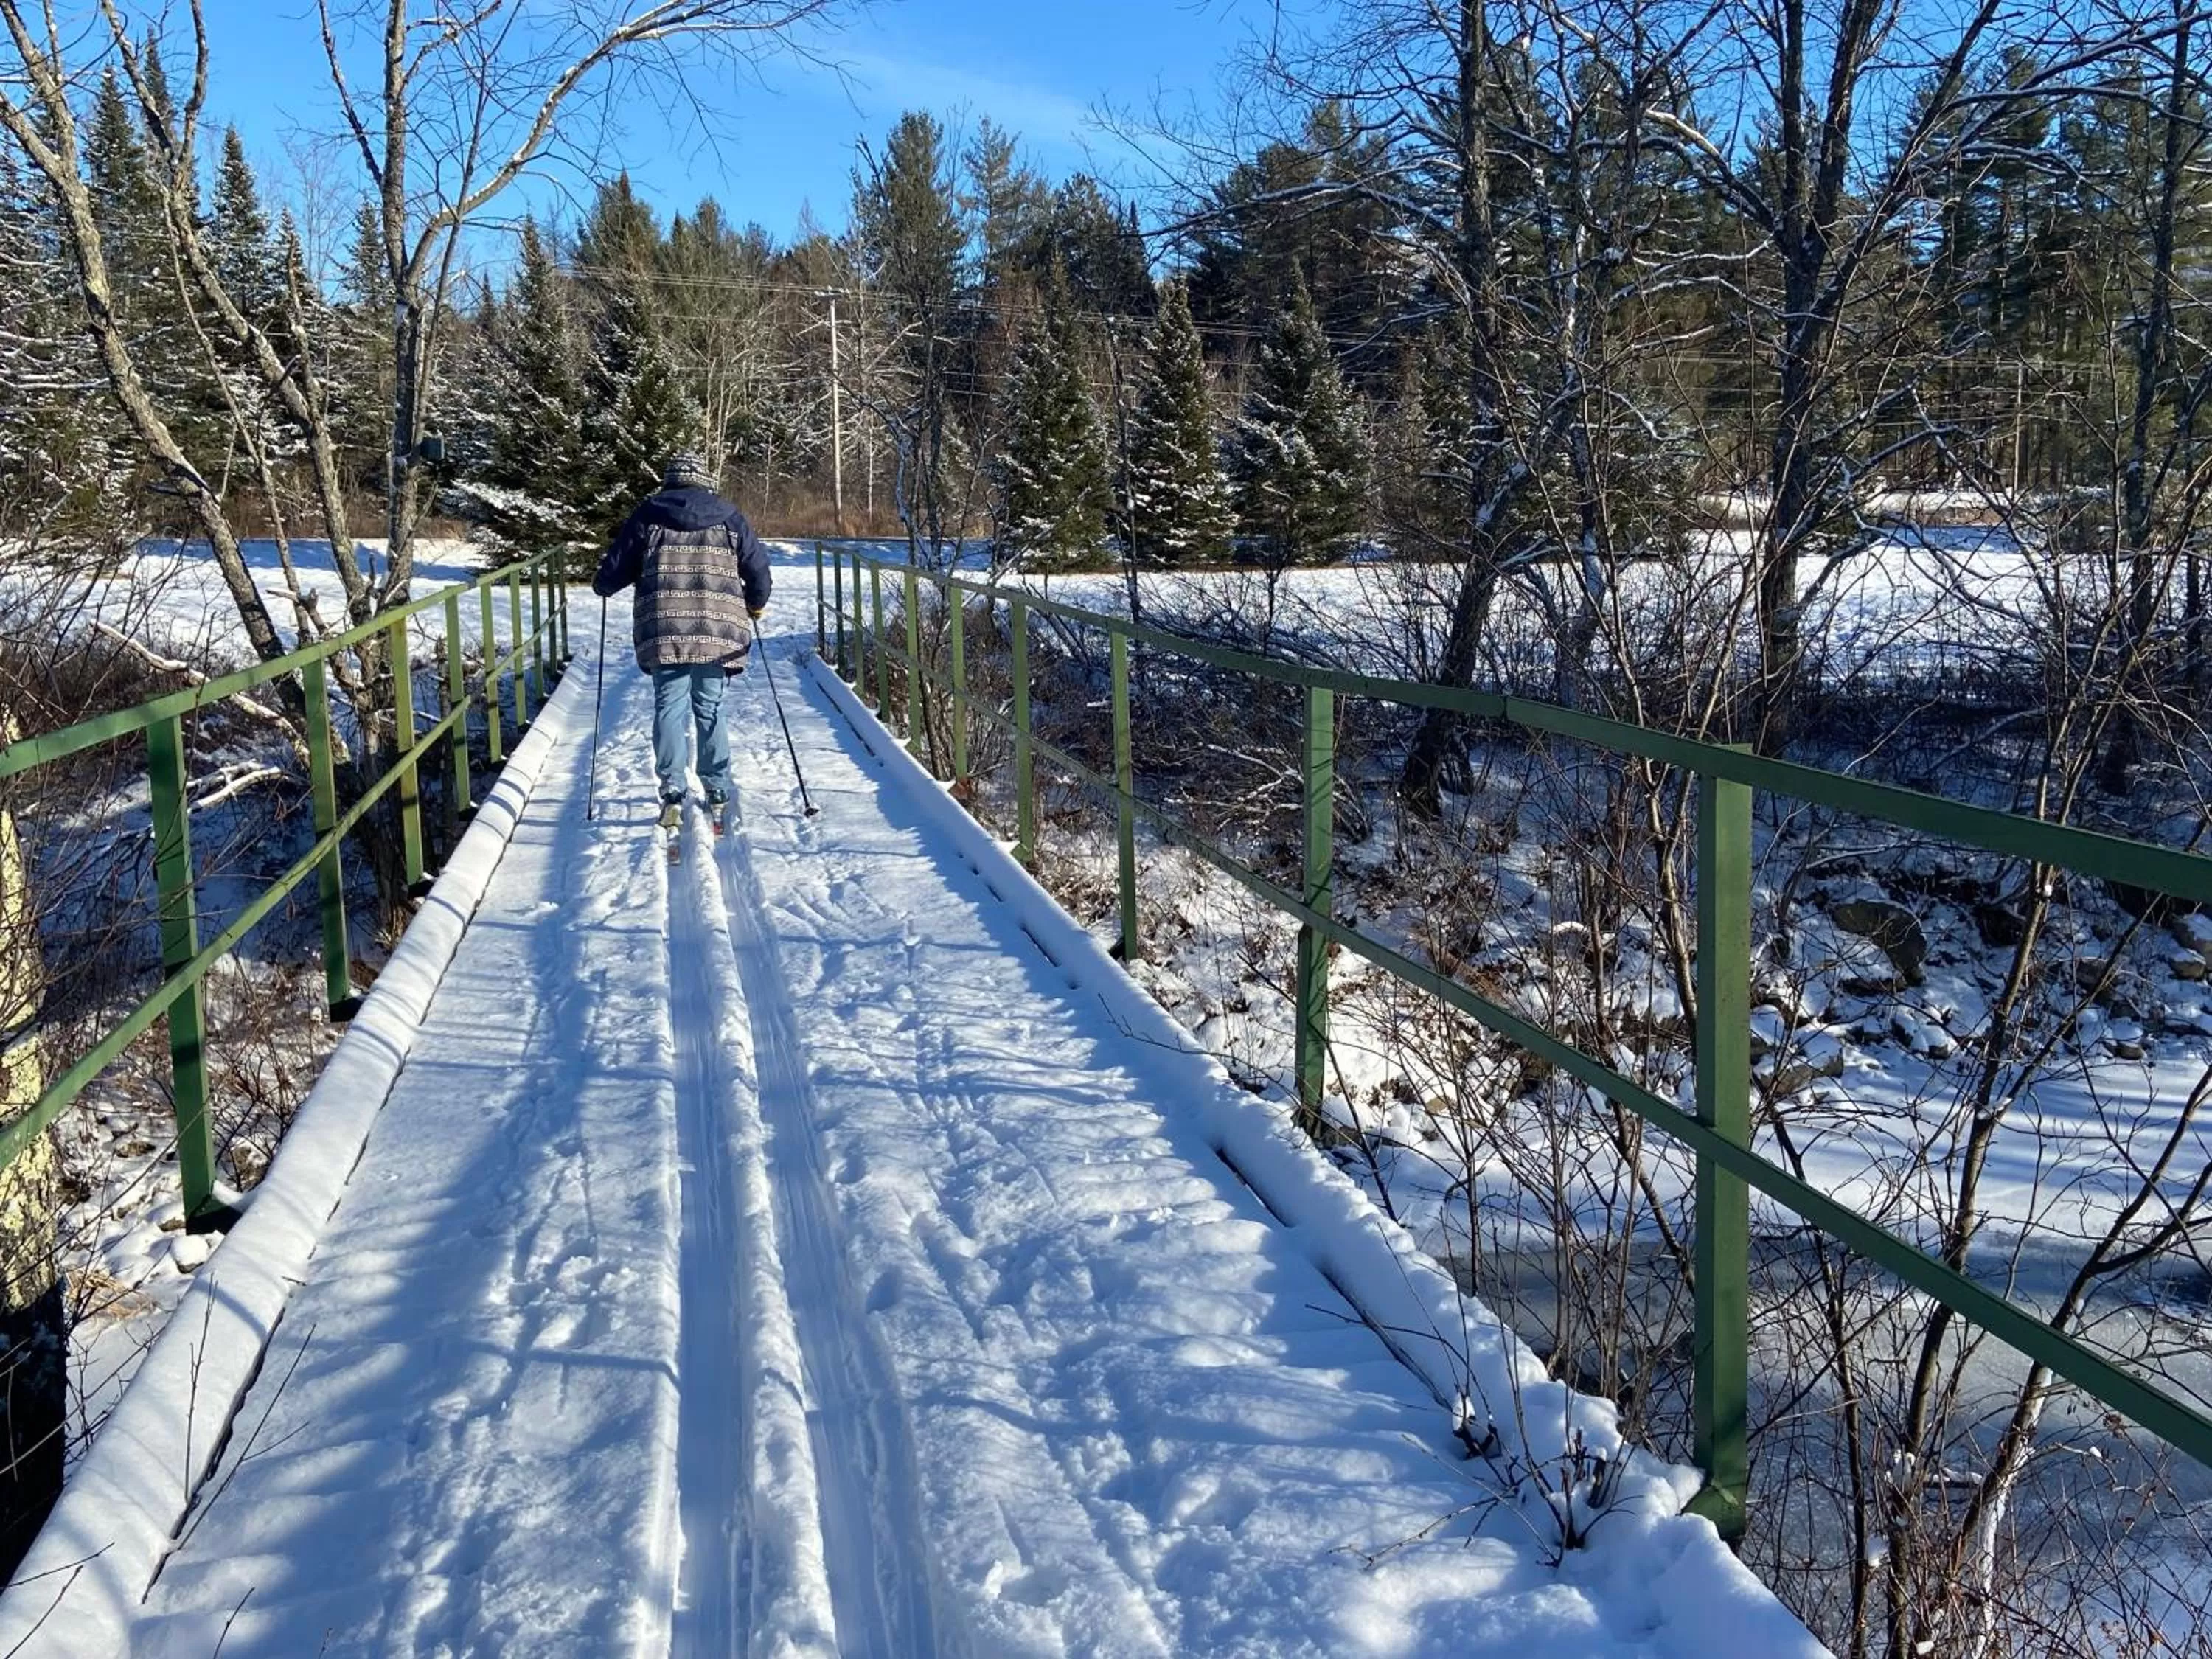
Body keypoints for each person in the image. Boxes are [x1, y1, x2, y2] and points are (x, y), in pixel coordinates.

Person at [591, 452, 773, 829]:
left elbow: (614, 569)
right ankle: (718, 790)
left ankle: (673, 792)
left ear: (669, 481)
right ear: (705, 481)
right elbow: (758, 570)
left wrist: (604, 584)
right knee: (710, 708)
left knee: (669, 708)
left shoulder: (649, 515)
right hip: (718, 628)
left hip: (665, 628)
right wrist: (755, 604)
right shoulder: (730, 517)